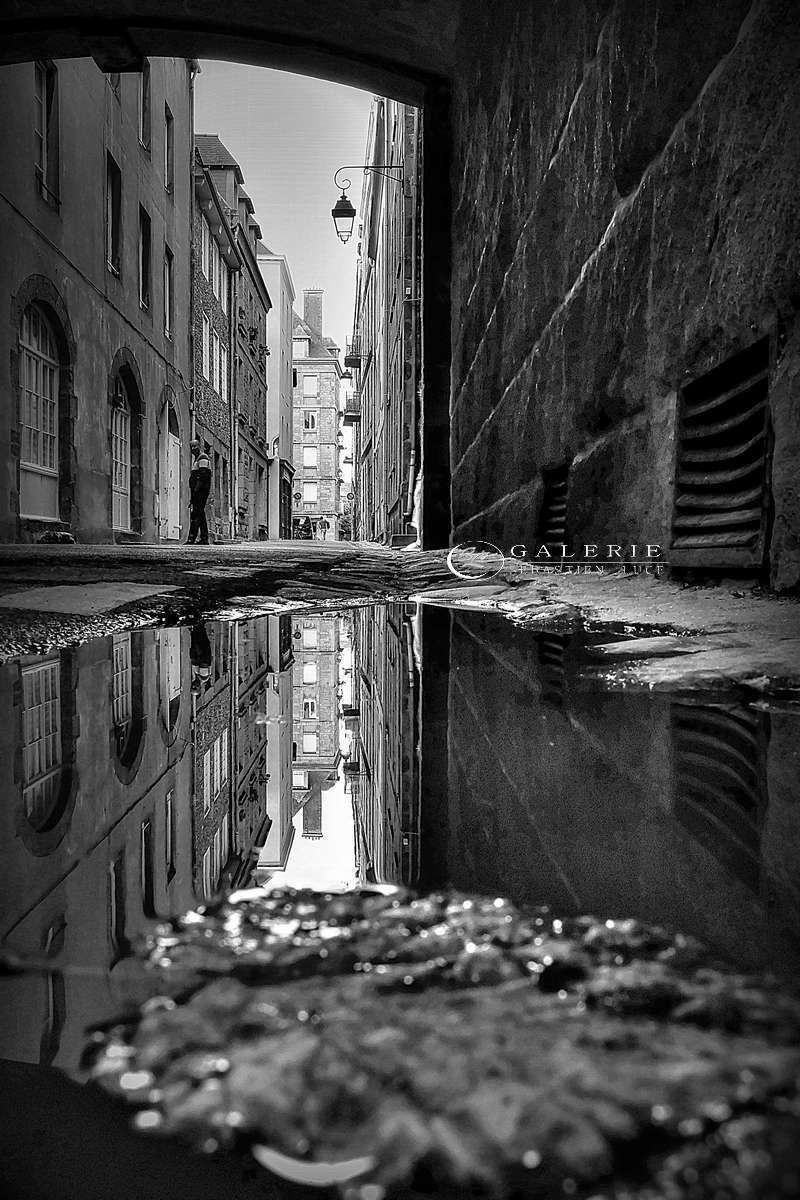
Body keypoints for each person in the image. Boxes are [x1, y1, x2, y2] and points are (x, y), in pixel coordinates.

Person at [187, 440, 212, 544]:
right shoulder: (198, 459)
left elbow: (203, 476)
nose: (193, 449)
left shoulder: (203, 458)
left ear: (199, 446)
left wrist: (196, 491)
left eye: (195, 446)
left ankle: (191, 538)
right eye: (191, 447)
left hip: (201, 491)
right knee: (200, 514)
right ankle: (204, 538)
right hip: (198, 491)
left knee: (196, 514)